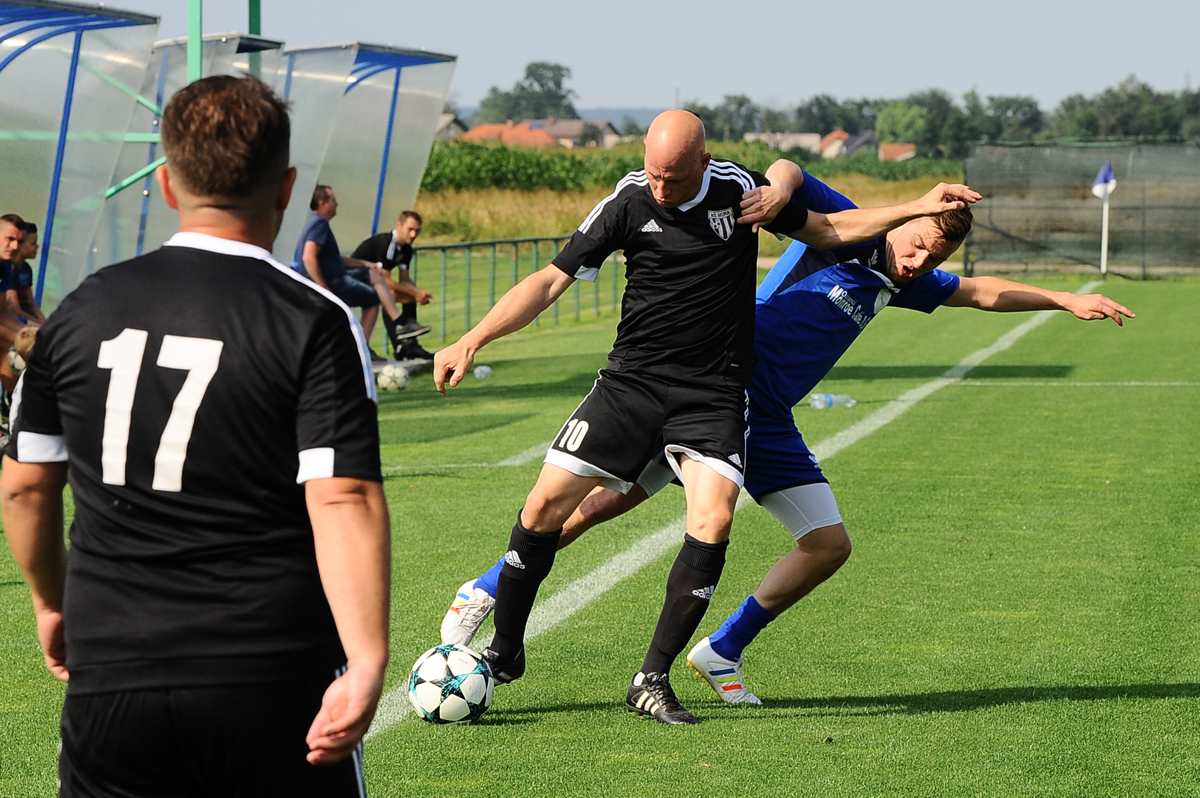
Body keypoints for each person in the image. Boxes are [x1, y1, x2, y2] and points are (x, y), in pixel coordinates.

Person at [440, 163, 1135, 708]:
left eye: (938, 251)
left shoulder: (900, 277)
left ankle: (721, 649)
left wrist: (1064, 297)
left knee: (827, 544)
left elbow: (980, 292)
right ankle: (488, 588)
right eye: (922, 242)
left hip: (769, 418)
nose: (923, 260)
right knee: (601, 505)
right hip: (715, 392)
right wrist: (774, 191)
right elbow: (791, 167)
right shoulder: (846, 229)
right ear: (905, 221)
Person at [432, 109, 979, 724]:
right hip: (632, 383)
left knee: (714, 520)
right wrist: (473, 339)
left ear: (702, 161)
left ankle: (652, 678)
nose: (660, 188)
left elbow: (828, 227)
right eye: (653, 172)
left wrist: (913, 207)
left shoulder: (739, 191)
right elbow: (549, 281)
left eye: (673, 177)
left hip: (715, 394)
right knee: (549, 508)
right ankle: (500, 634)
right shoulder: (628, 200)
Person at [1, 75, 391, 796]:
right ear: (287, 187)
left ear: (170, 185)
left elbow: (25, 485)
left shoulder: (82, 312)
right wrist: (367, 659)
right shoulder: (312, 319)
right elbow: (342, 500)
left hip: (112, 679)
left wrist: (53, 604)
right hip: (268, 674)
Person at [295, 185, 423, 361]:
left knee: (374, 274)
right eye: (333, 200)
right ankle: (362, 349)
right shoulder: (320, 223)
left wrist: (366, 264)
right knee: (372, 298)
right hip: (334, 281)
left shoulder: (317, 223)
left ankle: (399, 322)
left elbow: (336, 259)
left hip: (336, 276)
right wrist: (323, 288)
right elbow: (308, 257)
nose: (337, 203)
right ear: (323, 203)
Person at [352, 210, 435, 361]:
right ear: (399, 225)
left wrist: (416, 292)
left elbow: (405, 279)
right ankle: (399, 343)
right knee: (389, 295)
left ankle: (410, 345)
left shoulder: (407, 249)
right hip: (355, 279)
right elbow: (387, 280)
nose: (413, 235)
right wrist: (415, 293)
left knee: (406, 296)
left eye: (417, 230)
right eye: (410, 229)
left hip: (376, 282)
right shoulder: (388, 244)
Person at [8, 220, 46, 324]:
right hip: (15, 320)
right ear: (19, 245)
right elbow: (14, 308)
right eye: (33, 244)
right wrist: (38, 324)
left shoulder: (26, 268)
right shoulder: (9, 269)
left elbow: (31, 303)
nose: (37, 247)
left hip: (26, 318)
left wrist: (45, 323)